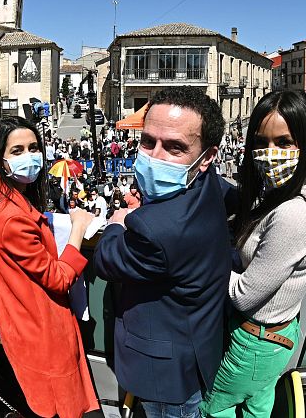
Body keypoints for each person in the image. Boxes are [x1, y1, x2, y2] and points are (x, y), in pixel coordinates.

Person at [94, 87, 231, 418]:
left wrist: (118, 221)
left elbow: (104, 259)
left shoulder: (159, 229)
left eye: (175, 148)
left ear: (207, 156)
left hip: (166, 378)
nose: (155, 156)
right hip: (196, 351)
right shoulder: (212, 185)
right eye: (147, 141)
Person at [0, 116, 98, 418]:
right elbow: (57, 278)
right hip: (41, 330)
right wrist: (78, 229)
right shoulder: (11, 217)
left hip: (21, 326)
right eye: (17, 151)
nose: (29, 156)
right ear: (0, 159)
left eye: (33, 148)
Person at [201, 90, 306, 418]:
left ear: (304, 142)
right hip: (277, 337)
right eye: (261, 142)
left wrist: (200, 259)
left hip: (254, 341)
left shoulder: (294, 214)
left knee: (213, 408)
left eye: (284, 142)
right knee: (257, 407)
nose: (270, 154)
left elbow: (244, 296)